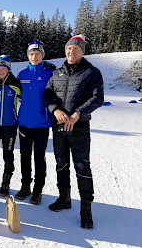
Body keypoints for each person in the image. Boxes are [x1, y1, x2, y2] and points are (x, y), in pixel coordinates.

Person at [43, 34, 104, 229]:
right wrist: (56, 110)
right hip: (60, 126)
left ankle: (86, 209)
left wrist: (77, 114)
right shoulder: (57, 73)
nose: (71, 52)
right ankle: (64, 198)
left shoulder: (91, 72)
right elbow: (47, 95)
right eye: (69, 49)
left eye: (75, 49)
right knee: (61, 163)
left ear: (82, 52)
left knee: (82, 166)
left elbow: (97, 98)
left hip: (79, 127)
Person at [16, 41, 56, 205]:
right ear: (28, 55)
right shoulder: (22, 74)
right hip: (24, 122)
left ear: (42, 55)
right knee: (24, 157)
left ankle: (38, 190)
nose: (34, 56)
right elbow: (18, 95)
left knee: (39, 158)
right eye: (31, 54)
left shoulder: (50, 73)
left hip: (41, 123)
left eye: (37, 54)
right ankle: (25, 186)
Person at [0, 55, 21, 196]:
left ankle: (6, 184)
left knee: (8, 154)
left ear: (8, 69)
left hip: (9, 125)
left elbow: (24, 100)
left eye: (3, 68)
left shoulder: (15, 84)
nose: (0, 71)